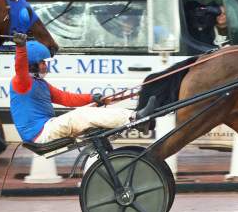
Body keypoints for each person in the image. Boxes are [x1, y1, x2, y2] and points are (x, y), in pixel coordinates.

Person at [10, 33, 155, 144]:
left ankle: (133, 120)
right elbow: (20, 67)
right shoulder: (22, 83)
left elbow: (67, 98)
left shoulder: (41, 84)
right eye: (42, 62)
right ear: (32, 64)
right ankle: (136, 118)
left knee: (90, 110)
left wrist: (93, 98)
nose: (46, 66)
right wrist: (21, 48)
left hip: (47, 128)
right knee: (81, 115)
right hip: (40, 134)